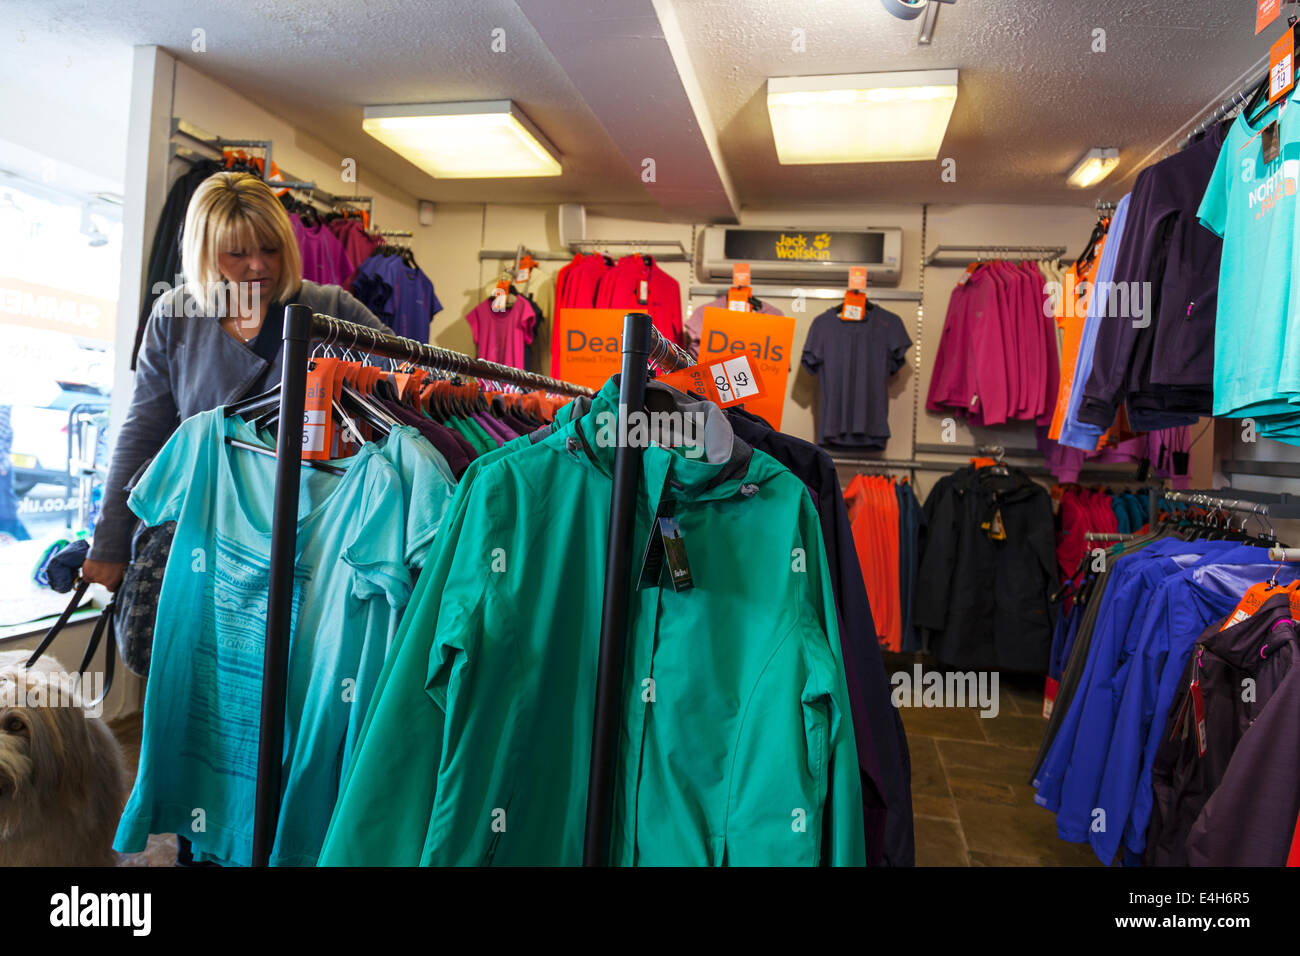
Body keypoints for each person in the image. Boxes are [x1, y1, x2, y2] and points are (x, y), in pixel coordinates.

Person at [81, 172, 389, 591]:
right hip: (203, 528)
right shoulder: (176, 315)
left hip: (308, 534)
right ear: (205, 253)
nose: (258, 265)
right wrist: (110, 541)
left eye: (270, 248)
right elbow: (143, 430)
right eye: (236, 253)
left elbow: (406, 392)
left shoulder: (331, 309)